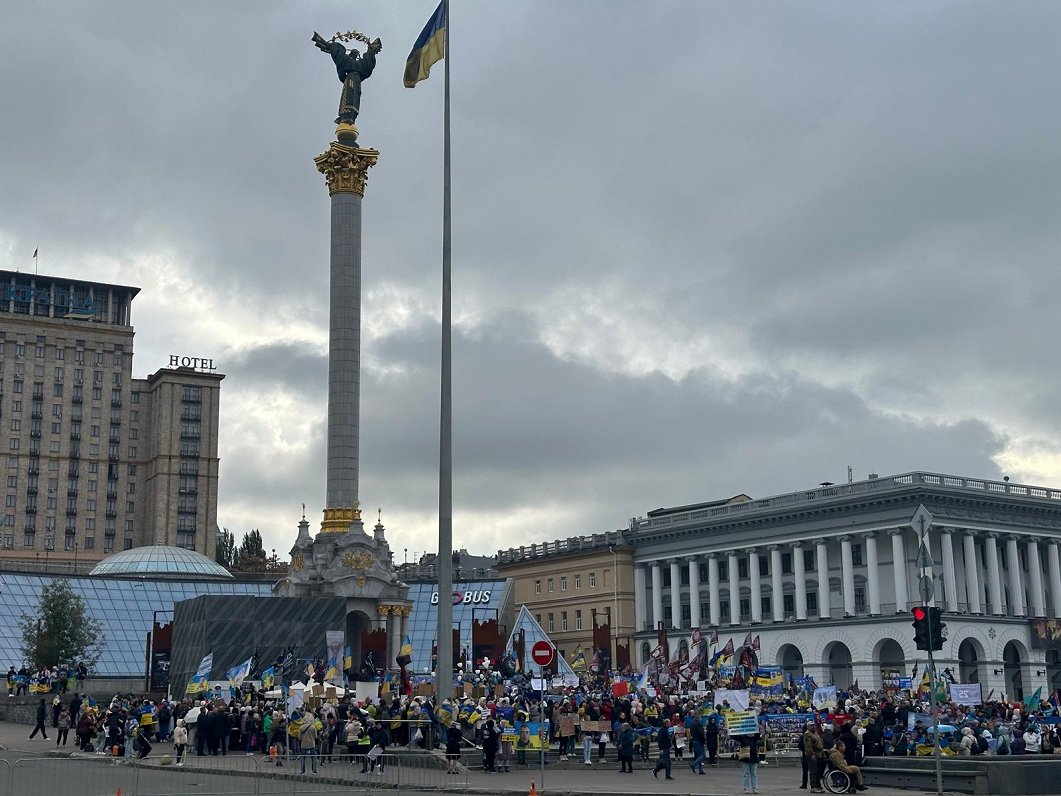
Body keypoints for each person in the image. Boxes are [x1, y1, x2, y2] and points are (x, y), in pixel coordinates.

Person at [313, 33, 382, 129]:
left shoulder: (361, 64)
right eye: (353, 52)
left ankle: (352, 116)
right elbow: (338, 53)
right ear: (350, 54)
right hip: (350, 78)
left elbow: (368, 63)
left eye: (356, 53)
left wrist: (371, 50)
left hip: (357, 80)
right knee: (349, 94)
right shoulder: (346, 60)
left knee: (355, 97)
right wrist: (332, 46)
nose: (355, 53)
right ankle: (345, 116)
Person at [802, 721, 824, 792]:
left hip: (819, 754)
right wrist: (812, 754)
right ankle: (813, 786)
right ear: (808, 727)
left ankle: (818, 785)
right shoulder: (807, 734)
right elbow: (808, 746)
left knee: (818, 771)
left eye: (814, 725)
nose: (813, 727)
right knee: (813, 771)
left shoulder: (815, 733)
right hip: (812, 755)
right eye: (811, 725)